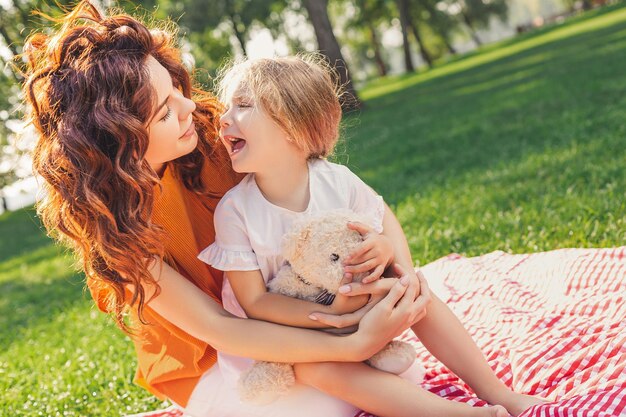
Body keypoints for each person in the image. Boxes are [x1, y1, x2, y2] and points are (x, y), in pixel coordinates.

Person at [22, 2, 429, 417]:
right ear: (120, 146)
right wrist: (350, 342)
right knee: (321, 406)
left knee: (390, 374)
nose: (190, 108)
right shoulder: (110, 230)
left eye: (176, 89)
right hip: (213, 356)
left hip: (297, 311)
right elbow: (221, 327)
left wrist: (399, 275)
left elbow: (357, 203)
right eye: (164, 111)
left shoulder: (221, 141)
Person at [199, 54, 545, 417]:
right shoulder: (236, 211)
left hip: (352, 311)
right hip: (287, 337)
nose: (223, 119)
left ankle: (498, 393)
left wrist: (394, 262)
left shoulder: (335, 181)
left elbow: (384, 220)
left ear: (291, 124)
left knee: (419, 295)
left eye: (242, 105)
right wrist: (332, 316)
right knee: (318, 367)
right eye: (229, 107)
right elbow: (256, 304)